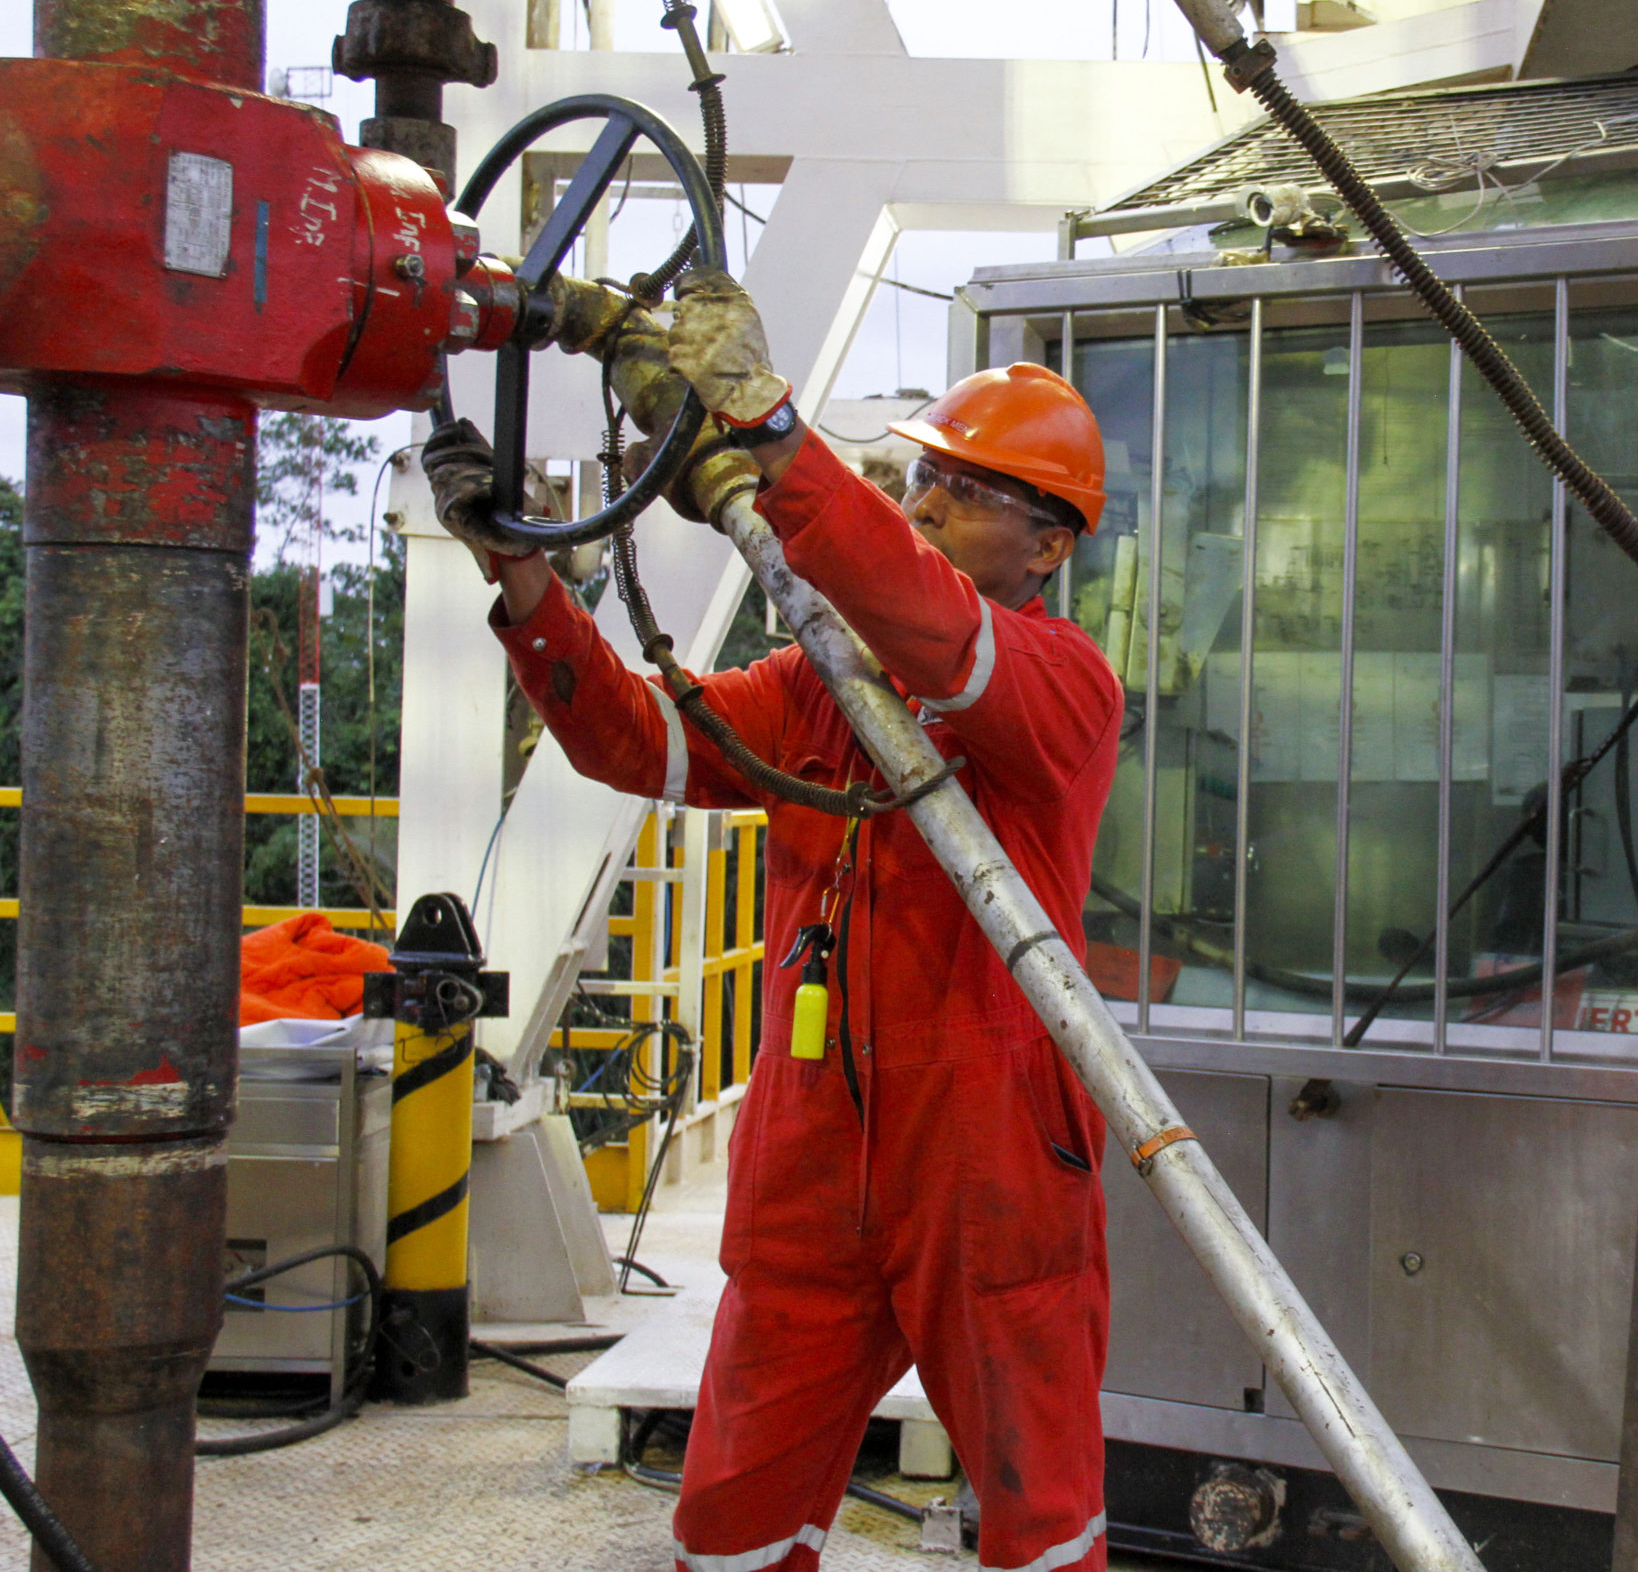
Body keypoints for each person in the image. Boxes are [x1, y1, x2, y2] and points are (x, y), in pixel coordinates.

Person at [426, 270, 1122, 1572]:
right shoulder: (822, 683)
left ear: (1050, 544)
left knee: (1041, 1525)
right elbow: (640, 740)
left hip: (994, 1157)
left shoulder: (1058, 687)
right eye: (916, 481)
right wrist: (523, 582)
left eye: (961, 492)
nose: (923, 506)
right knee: (731, 1514)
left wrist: (767, 429)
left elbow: (928, 615)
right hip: (814, 1145)